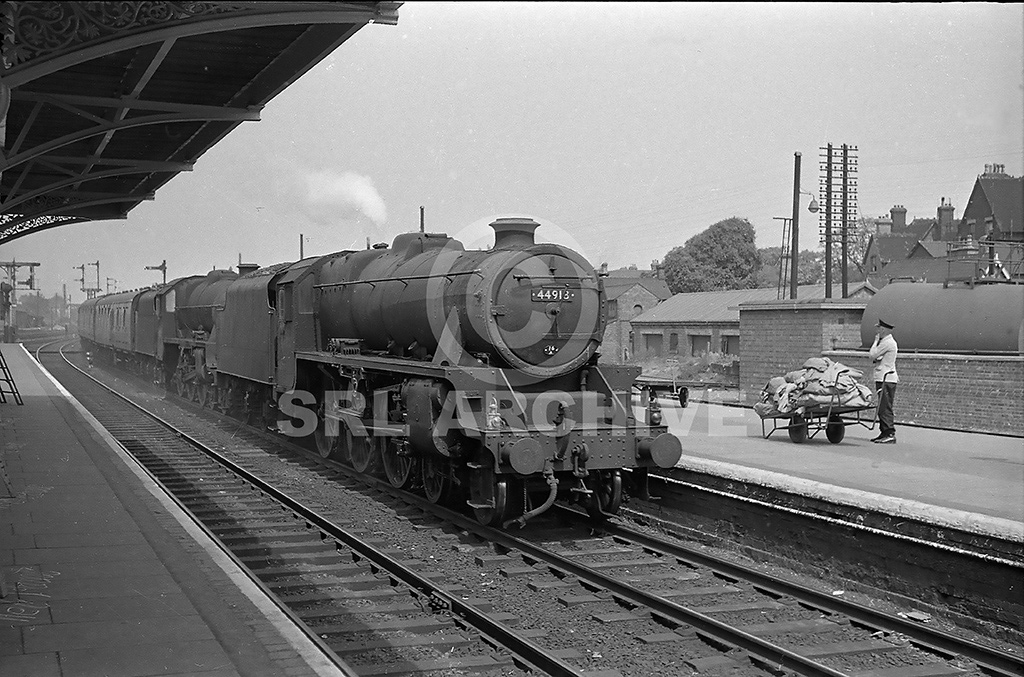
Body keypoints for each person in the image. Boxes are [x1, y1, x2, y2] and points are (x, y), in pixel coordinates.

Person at [869, 318, 899, 444]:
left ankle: (889, 433)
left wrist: (875, 341)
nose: (877, 331)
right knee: (883, 406)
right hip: (885, 377)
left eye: (879, 328)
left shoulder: (887, 343)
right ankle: (884, 432)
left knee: (885, 406)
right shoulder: (887, 343)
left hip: (885, 378)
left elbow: (872, 354)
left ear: (883, 329)